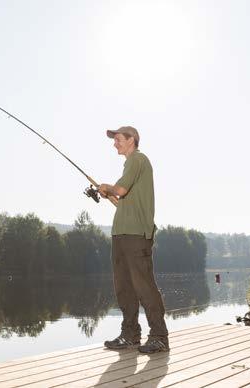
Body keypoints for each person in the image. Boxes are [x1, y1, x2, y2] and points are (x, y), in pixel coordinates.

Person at [97, 126, 169, 354]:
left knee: (145, 287)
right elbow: (124, 199)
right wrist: (110, 194)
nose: (114, 143)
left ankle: (159, 337)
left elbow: (120, 189)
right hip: (121, 234)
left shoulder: (138, 159)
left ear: (131, 140)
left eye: (118, 139)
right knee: (124, 288)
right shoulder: (132, 164)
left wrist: (108, 188)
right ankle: (130, 335)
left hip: (136, 235)